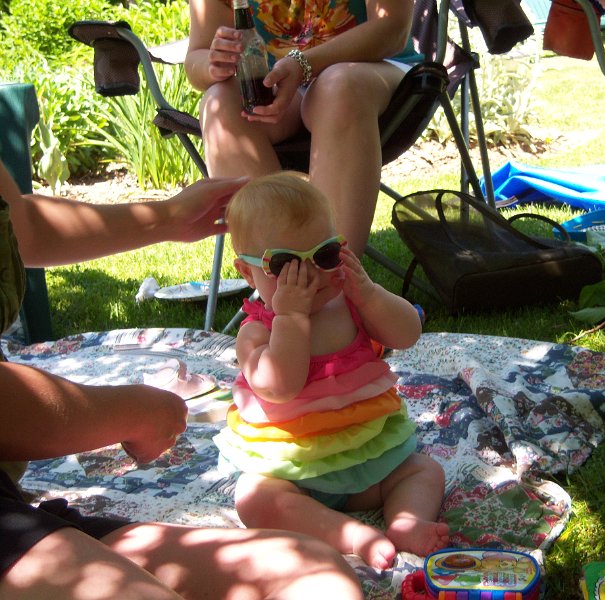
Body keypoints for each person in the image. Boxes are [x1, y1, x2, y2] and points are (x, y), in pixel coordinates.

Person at [0, 160, 364, 600]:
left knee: (316, 575)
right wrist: (132, 412)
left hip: (13, 504)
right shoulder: (257, 330)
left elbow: (20, 226)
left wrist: (168, 216)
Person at [215, 171, 449, 570]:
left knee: (423, 470)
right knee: (255, 498)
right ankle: (349, 534)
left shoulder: (351, 304)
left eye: (324, 255)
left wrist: (369, 294)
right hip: (291, 471)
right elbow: (280, 386)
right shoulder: (256, 331)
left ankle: (407, 522)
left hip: (369, 458)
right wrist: (290, 317)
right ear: (248, 272)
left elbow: (408, 333)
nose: (311, 276)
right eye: (286, 265)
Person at [184, 0, 419, 257]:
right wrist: (214, 62)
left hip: (374, 68)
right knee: (220, 102)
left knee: (338, 88)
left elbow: (392, 28)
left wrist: (303, 64)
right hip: (279, 85)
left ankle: (334, 271)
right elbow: (197, 55)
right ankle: (276, 270)